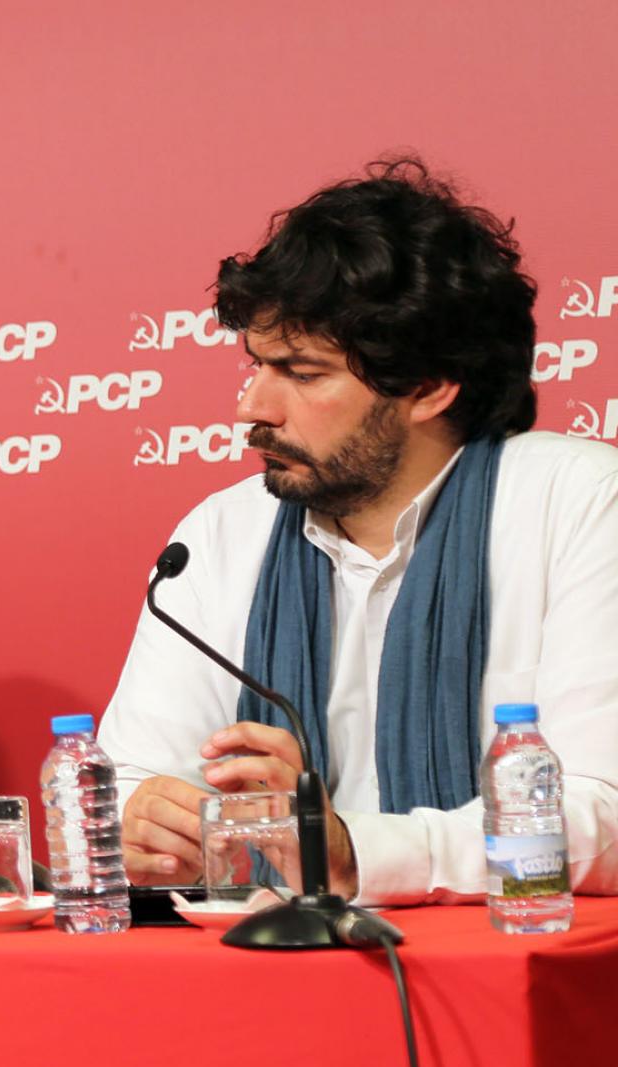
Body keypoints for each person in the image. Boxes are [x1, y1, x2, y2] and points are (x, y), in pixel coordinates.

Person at [102, 158, 618, 906]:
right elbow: (131, 779)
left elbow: (604, 814)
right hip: (269, 958)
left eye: (302, 373)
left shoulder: (580, 504)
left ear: (427, 387)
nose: (252, 408)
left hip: (519, 962)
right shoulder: (220, 535)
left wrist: (357, 852)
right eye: (257, 366)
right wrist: (150, 824)